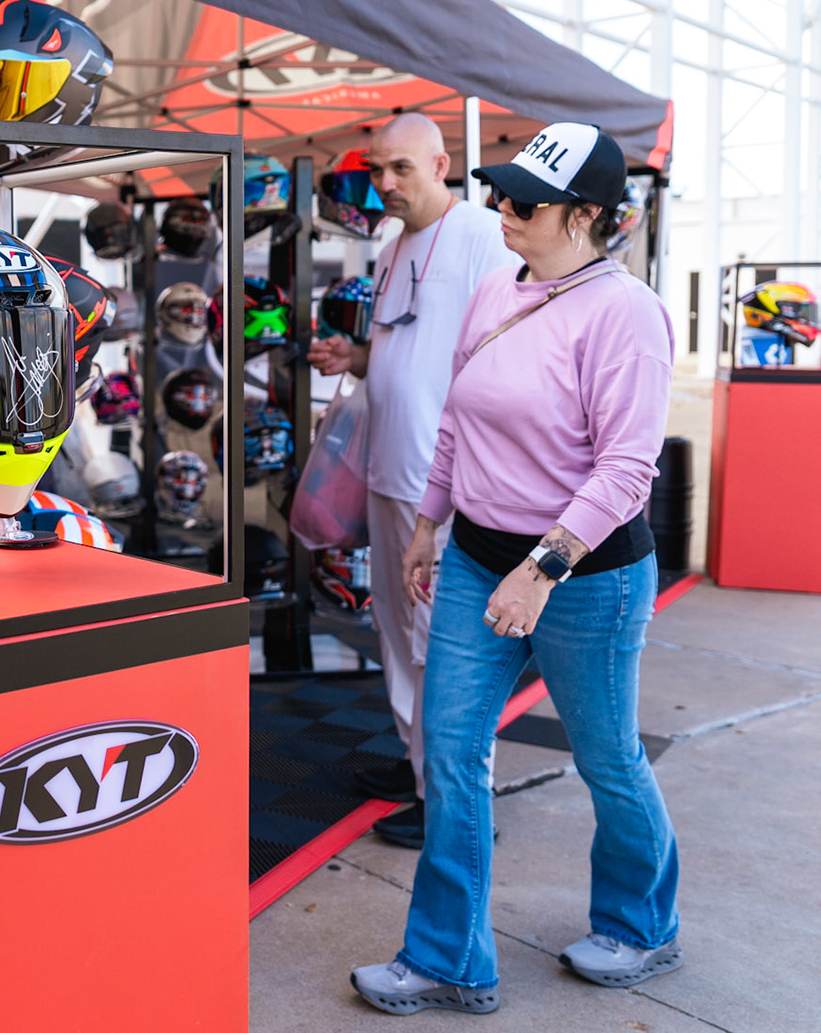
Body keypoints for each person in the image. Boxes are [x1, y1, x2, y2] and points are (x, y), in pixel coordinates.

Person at [349, 124, 681, 1016]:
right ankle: (449, 958)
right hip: (475, 557)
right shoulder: (499, 286)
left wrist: (541, 571)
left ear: (586, 216)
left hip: (588, 577)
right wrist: (429, 523)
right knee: (452, 753)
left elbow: (627, 470)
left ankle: (643, 923)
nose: (502, 208)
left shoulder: (626, 314)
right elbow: (459, 419)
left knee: (607, 756)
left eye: (526, 201)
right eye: (501, 190)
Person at [308, 114, 515, 848]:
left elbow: (509, 353)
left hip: (442, 481)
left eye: (401, 167)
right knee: (397, 630)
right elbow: (412, 350)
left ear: (440, 164)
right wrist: (356, 359)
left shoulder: (482, 235)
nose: (385, 182)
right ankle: (417, 762)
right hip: (390, 468)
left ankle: (454, 800)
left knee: (442, 643)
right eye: (377, 169)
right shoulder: (395, 245)